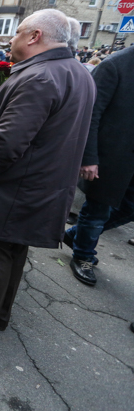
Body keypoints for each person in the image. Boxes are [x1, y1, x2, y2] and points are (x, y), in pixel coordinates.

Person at [0, 9, 96, 341]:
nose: (11, 38)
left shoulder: (40, 77)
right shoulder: (76, 72)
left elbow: (6, 144)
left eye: (19, 31)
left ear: (35, 36)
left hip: (9, 190)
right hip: (39, 187)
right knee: (11, 252)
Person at [64, 46, 134, 286]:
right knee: (96, 212)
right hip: (110, 157)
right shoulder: (116, 64)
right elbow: (90, 114)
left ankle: (75, 235)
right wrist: (89, 157)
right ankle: (83, 256)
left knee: (129, 208)